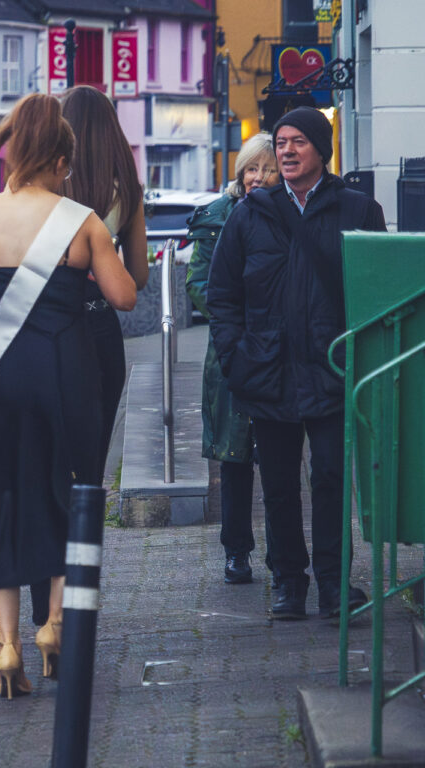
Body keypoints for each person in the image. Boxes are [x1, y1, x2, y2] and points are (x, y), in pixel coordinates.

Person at [0, 93, 136, 699]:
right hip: (67, 375)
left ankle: (8, 644)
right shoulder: (81, 222)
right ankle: (53, 625)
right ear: (62, 159)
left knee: (2, 501)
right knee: (66, 494)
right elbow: (125, 297)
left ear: (12, 153)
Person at [207, 106, 386, 620]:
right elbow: (222, 294)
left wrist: (360, 355)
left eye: (298, 142)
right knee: (280, 484)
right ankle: (288, 581)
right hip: (268, 370)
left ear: (321, 150)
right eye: (280, 142)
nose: (285, 150)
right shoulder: (250, 213)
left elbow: (373, 291)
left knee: (331, 478)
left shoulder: (357, 210)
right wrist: (236, 357)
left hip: (333, 368)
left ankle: (334, 583)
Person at [186, 133, 278, 585]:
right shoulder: (219, 218)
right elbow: (198, 283)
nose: (259, 177)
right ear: (240, 172)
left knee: (281, 458)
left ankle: (285, 558)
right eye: (251, 169)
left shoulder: (290, 214)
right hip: (232, 350)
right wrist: (237, 324)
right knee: (235, 456)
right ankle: (236, 551)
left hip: (281, 350)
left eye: (268, 169)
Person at [60, 85, 149, 481]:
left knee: (54, 454)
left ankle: (50, 539)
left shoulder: (49, 189)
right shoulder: (127, 191)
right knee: (92, 464)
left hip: (52, 324)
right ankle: (86, 540)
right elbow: (139, 277)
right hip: (101, 327)